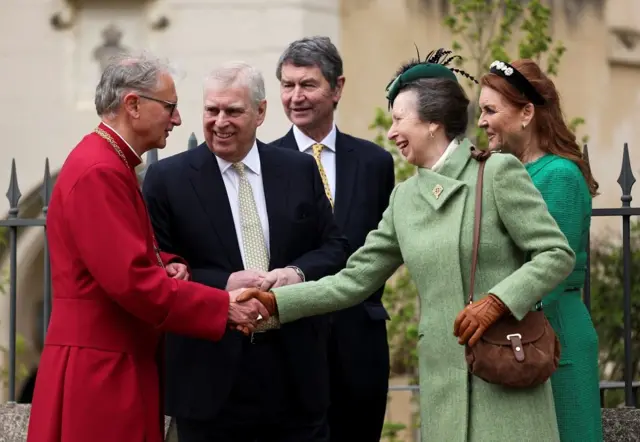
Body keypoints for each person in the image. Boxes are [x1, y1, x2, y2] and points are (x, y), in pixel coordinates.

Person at [236, 48, 576, 442]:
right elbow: (354, 279)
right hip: (442, 383)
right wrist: (278, 302)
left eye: (400, 119)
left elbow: (555, 253)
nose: (392, 131)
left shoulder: (497, 172)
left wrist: (497, 301)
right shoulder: (405, 199)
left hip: (505, 370)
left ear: (432, 123)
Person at [26, 52, 268, 442]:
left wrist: (168, 263)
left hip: (112, 357)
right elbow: (131, 281)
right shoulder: (99, 171)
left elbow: (126, 251)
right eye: (170, 107)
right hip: (101, 365)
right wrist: (223, 306)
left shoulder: (110, 162)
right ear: (133, 105)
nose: (177, 119)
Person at [142, 61, 349, 442]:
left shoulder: (299, 169)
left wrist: (294, 274)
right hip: (209, 382)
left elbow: (335, 248)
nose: (220, 121)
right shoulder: (167, 180)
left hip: (296, 376)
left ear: (260, 112)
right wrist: (223, 282)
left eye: (233, 111)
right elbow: (156, 270)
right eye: (211, 110)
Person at [271, 36, 395, 442]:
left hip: (360, 342)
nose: (295, 97)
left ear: (337, 87)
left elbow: (384, 246)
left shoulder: (375, 162)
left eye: (307, 85)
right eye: (287, 85)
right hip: (291, 344)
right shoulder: (264, 163)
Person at [478, 58, 603, 441]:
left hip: (552, 338)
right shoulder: (511, 171)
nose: (481, 121)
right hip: (524, 335)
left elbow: (549, 271)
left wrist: (492, 321)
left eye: (490, 110)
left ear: (527, 112)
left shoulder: (560, 176)